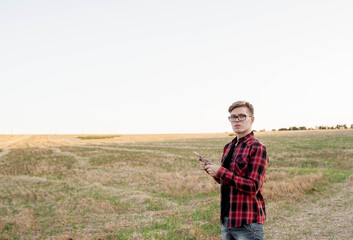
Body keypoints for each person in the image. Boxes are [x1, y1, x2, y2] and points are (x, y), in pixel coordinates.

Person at [199, 101, 268, 240]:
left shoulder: (257, 147)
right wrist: (212, 170)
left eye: (242, 116)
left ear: (252, 120)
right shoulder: (229, 146)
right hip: (227, 219)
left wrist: (221, 172)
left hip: (247, 223)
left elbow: (253, 186)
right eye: (233, 117)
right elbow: (225, 180)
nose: (236, 120)